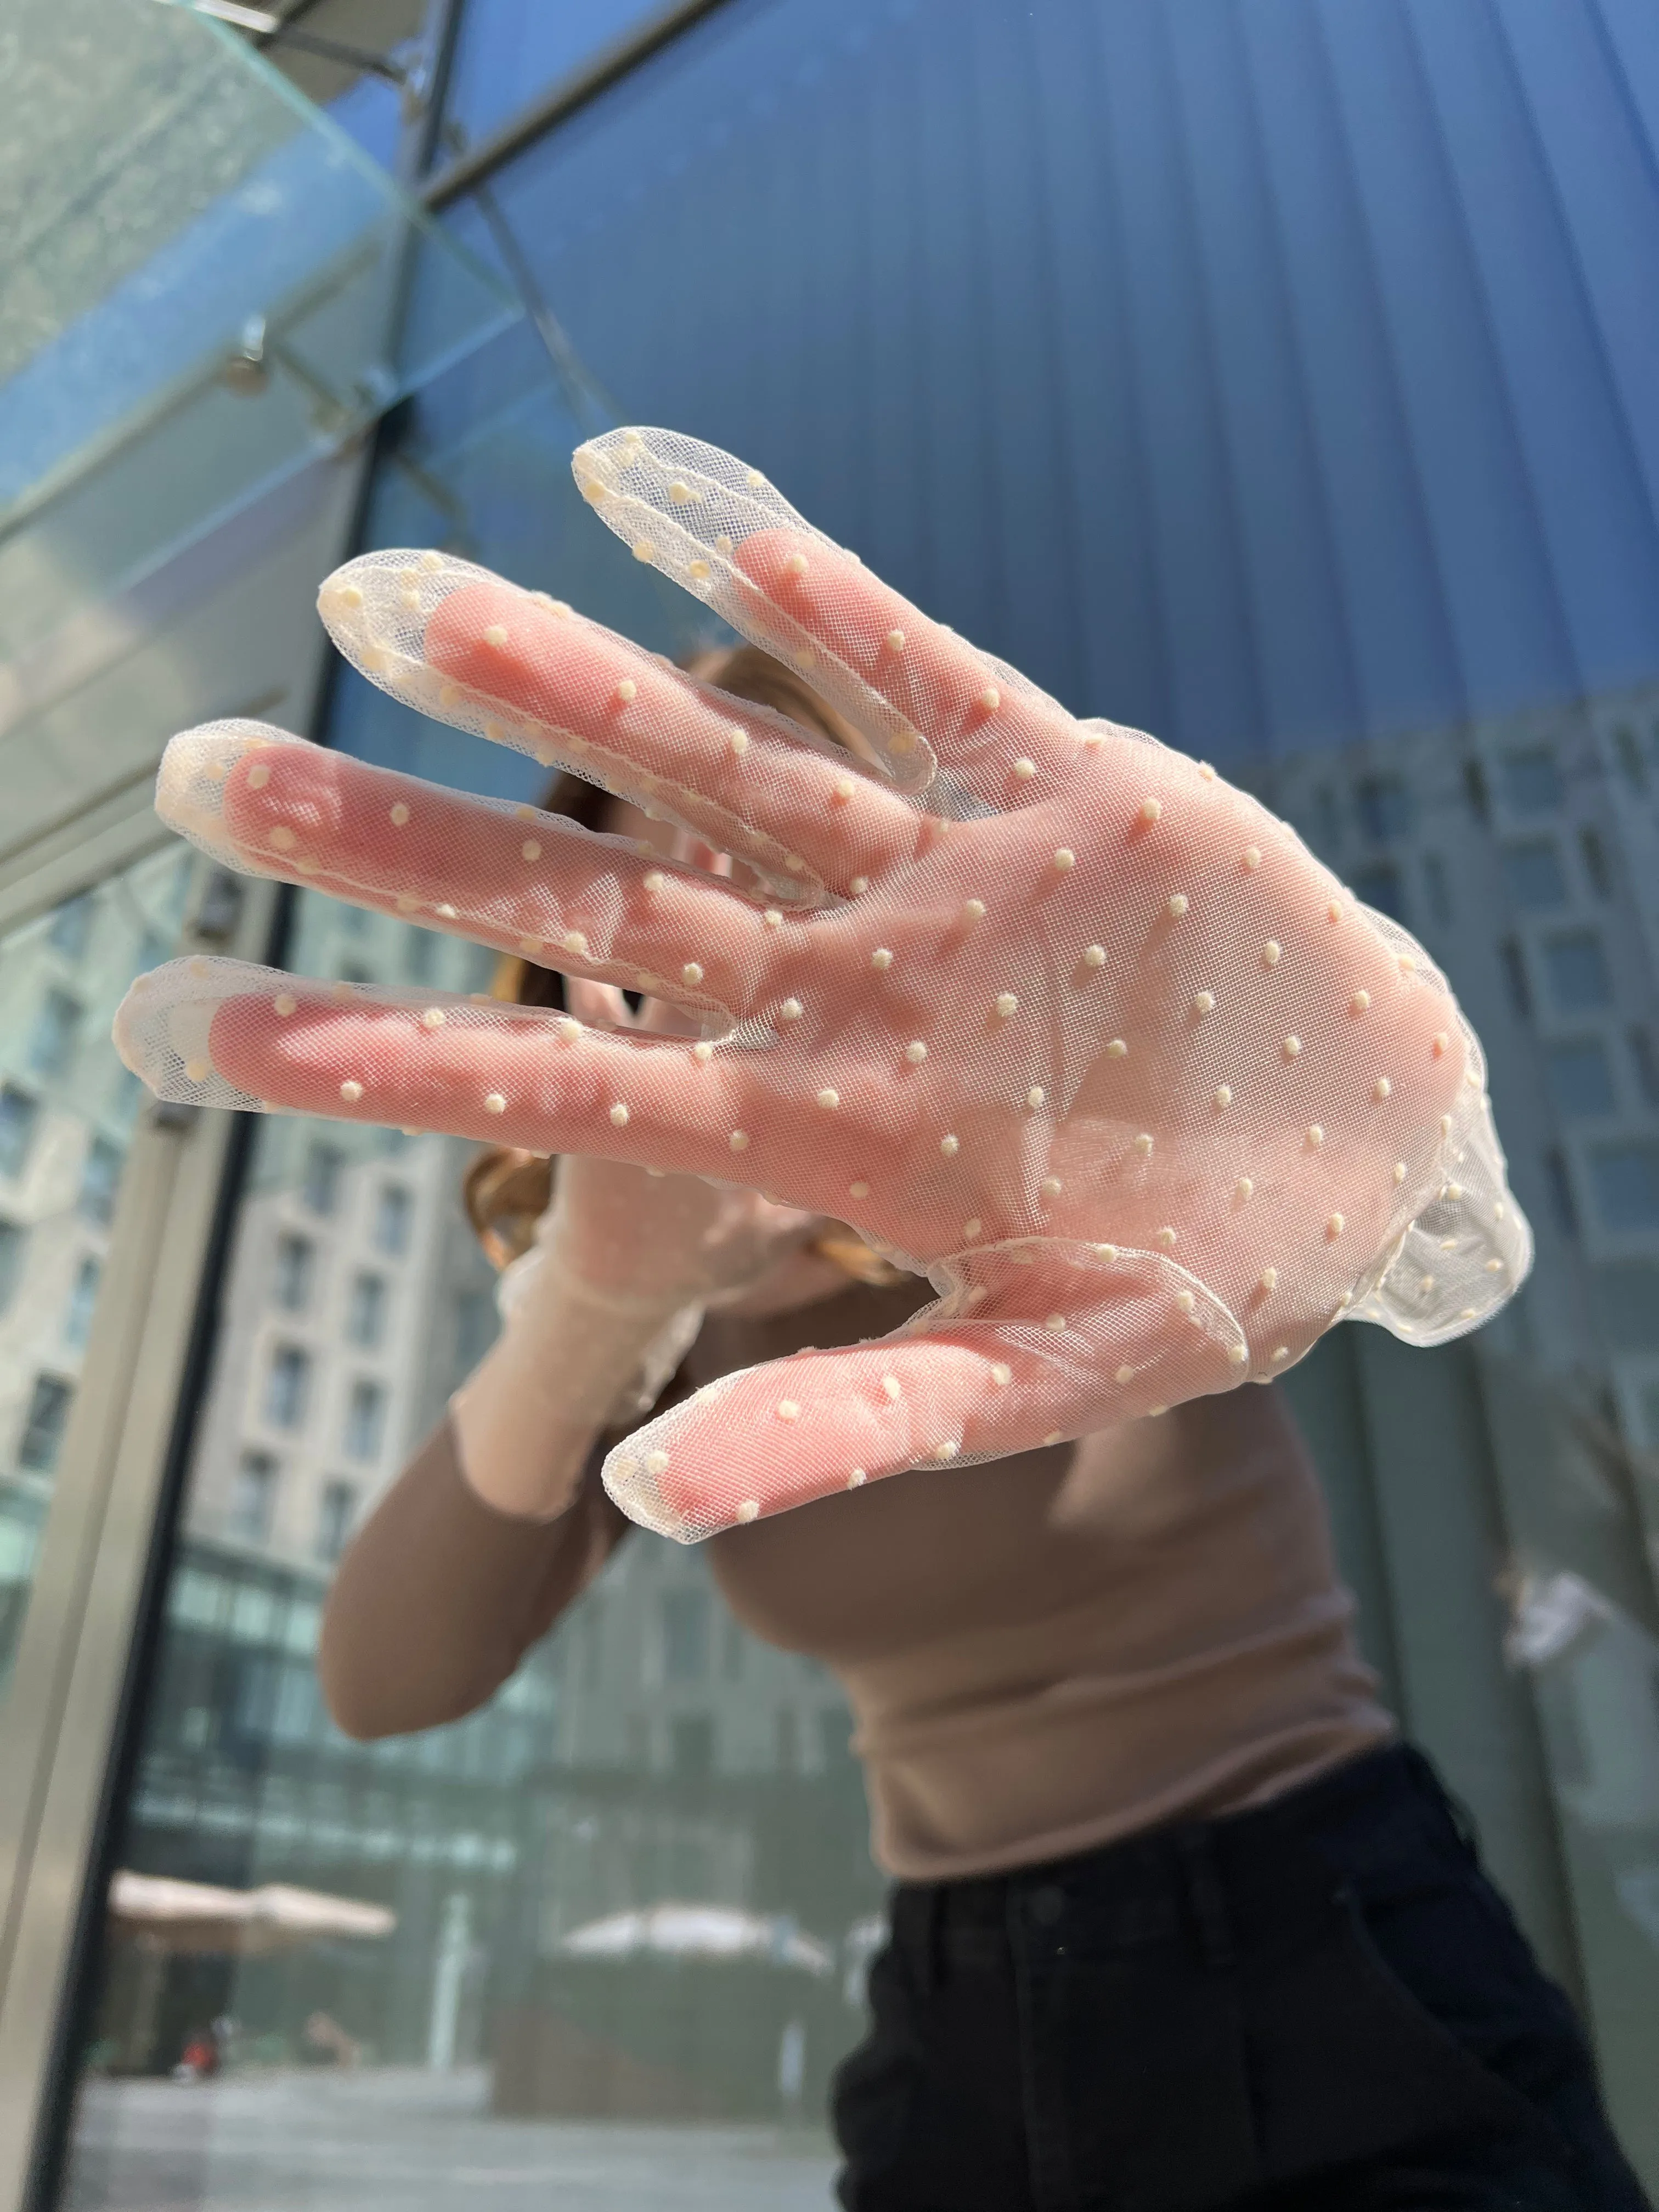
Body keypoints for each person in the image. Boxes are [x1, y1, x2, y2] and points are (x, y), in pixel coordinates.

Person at [121, 430, 1648, 2209]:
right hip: (951, 2019)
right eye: (641, 923)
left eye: (784, 884)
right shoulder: (666, 1337)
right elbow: (388, 1682)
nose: (720, 961)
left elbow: (1494, 1359)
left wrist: (1384, 1130)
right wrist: (586, 1315)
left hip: (1326, 1936)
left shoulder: (1082, 1180)